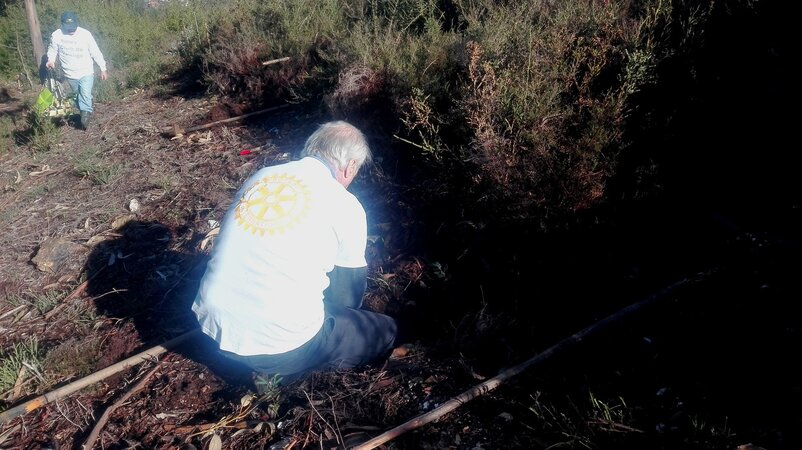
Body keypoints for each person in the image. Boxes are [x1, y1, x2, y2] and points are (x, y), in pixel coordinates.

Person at [192, 121, 398, 384]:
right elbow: (347, 300)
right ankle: (286, 378)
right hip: (279, 346)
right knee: (386, 330)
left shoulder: (261, 176)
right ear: (350, 167)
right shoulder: (346, 205)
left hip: (211, 328)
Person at [45, 11, 108, 130]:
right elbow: (52, 50)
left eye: (73, 27)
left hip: (86, 71)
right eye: (68, 28)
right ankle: (85, 108)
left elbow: (95, 51)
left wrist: (103, 68)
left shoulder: (85, 34)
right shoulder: (57, 35)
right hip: (70, 73)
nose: (71, 30)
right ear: (62, 24)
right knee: (77, 97)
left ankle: (85, 117)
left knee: (85, 94)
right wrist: (51, 60)